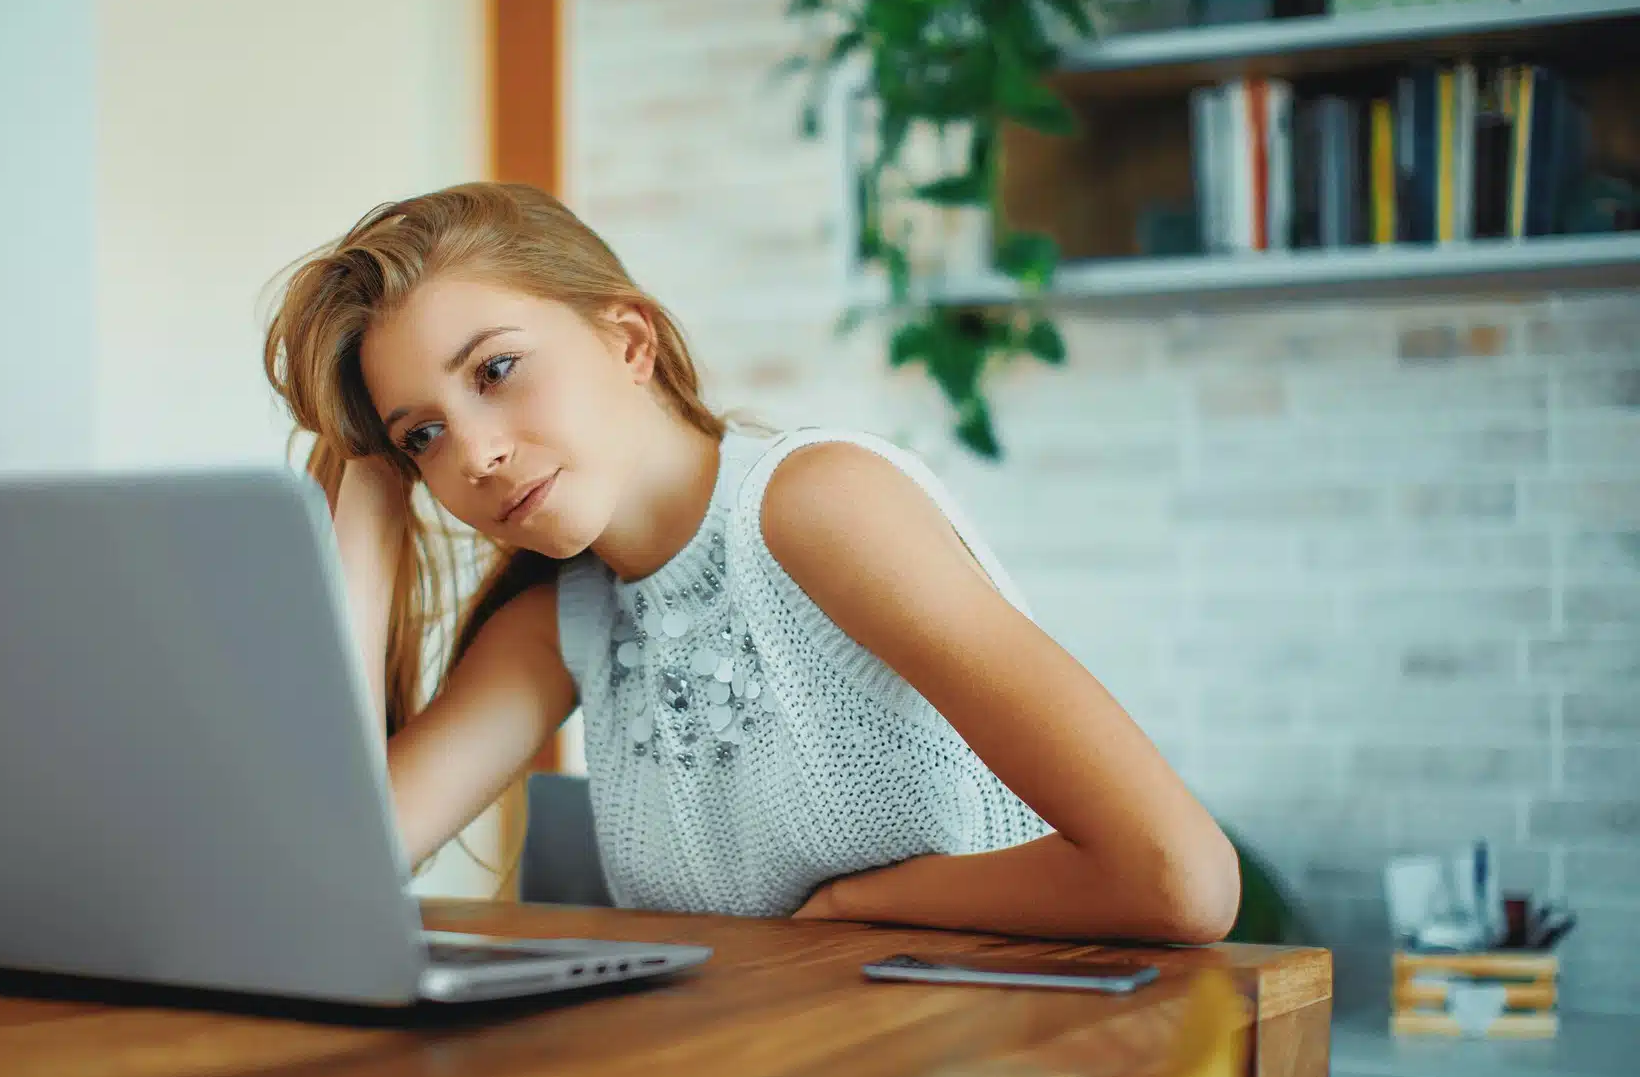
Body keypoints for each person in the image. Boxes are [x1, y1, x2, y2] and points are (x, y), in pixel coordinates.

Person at [263, 182, 1238, 943]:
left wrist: (866, 902)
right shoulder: (565, 614)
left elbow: (1177, 877)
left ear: (628, 338)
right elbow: (331, 876)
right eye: (423, 434)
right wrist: (367, 500)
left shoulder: (815, 506)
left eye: (496, 370)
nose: (471, 454)